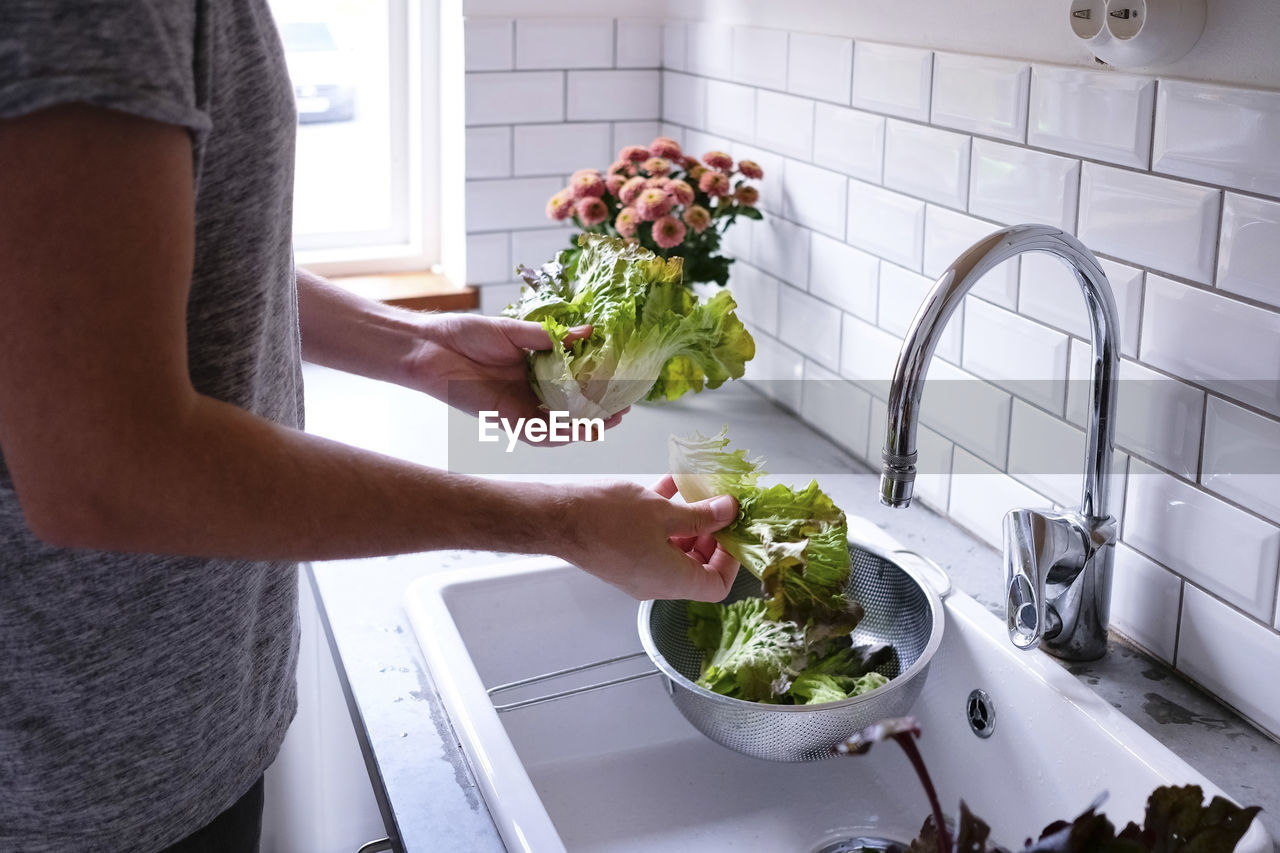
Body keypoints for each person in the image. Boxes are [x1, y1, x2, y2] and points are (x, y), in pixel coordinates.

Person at [0, 3, 739, 852]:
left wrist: (419, 346)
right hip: (73, 779)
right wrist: (556, 520)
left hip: (163, 736)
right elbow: (106, 469)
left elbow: (160, 254)